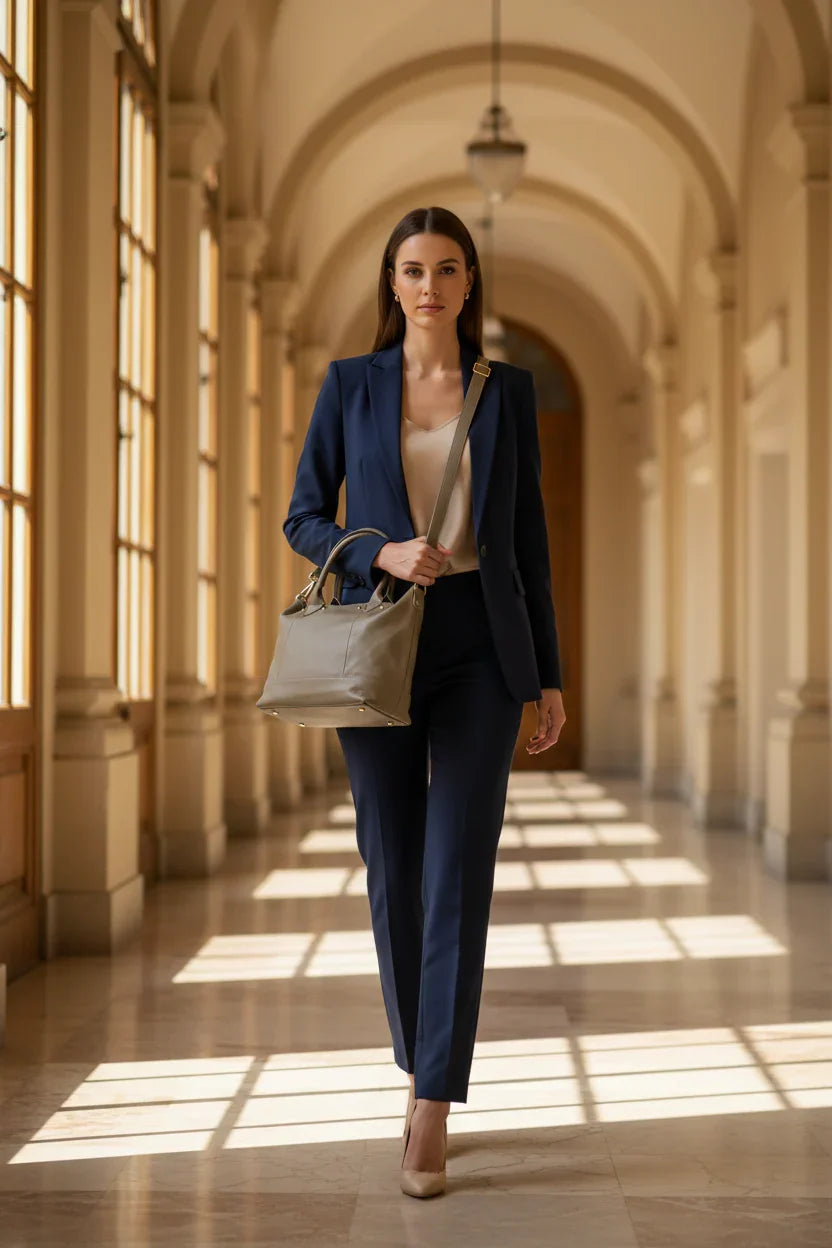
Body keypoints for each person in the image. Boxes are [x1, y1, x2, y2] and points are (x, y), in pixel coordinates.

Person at [283, 206, 566, 1197]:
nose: (429, 285)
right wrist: (377, 548)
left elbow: (528, 544)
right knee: (391, 862)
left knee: (458, 870)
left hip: (481, 652)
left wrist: (546, 675)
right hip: (376, 638)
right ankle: (419, 1057)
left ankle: (433, 1103)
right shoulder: (349, 386)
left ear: (469, 281)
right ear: (391, 282)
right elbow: (303, 516)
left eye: (448, 268)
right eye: (412, 268)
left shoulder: (505, 392)